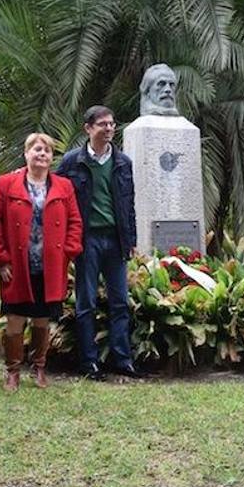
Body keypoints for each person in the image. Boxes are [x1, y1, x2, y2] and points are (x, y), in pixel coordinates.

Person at [0, 133, 83, 391]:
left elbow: (75, 221)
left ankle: (39, 367)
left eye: (47, 151)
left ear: (52, 157)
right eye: (37, 149)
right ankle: (13, 371)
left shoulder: (64, 186)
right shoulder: (6, 184)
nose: (42, 154)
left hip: (50, 265)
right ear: (26, 153)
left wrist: (69, 252)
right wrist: (1, 259)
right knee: (15, 318)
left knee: (43, 319)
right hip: (17, 265)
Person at [57, 105, 143, 380]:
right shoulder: (72, 162)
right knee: (86, 302)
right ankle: (88, 362)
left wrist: (131, 238)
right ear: (88, 128)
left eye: (112, 124)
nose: (109, 129)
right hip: (87, 240)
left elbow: (129, 203)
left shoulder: (122, 162)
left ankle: (122, 359)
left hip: (115, 240)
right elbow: (58, 200)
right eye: (103, 124)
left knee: (120, 302)